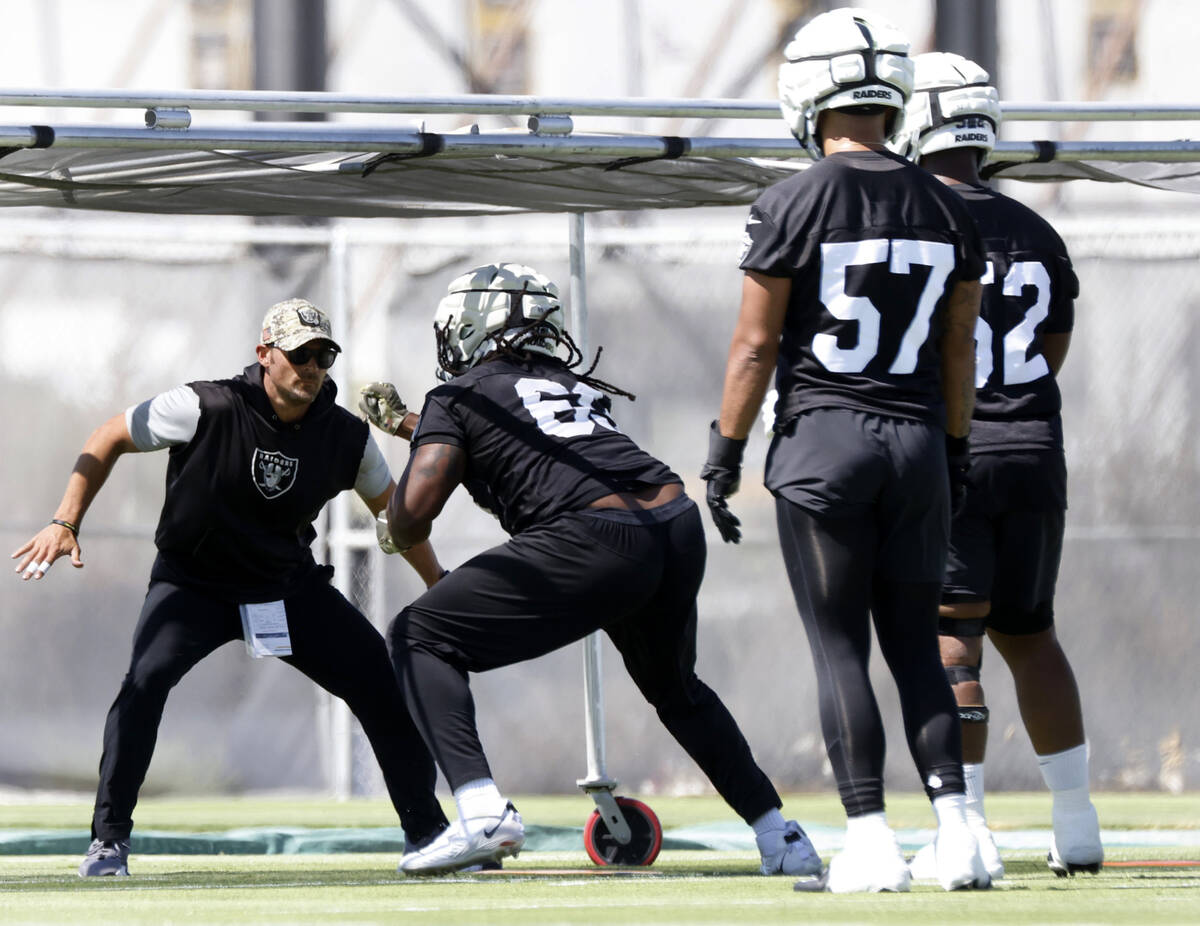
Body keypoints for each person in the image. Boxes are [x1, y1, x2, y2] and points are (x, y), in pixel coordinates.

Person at [361, 261, 822, 878]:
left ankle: (481, 812)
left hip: (595, 537)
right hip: (673, 521)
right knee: (678, 692)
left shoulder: (458, 395)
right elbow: (513, 441)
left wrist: (395, 522)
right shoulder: (565, 384)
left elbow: (415, 514)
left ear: (473, 325)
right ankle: (780, 836)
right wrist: (411, 426)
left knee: (420, 635)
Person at [700, 8, 990, 893]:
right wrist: (953, 449)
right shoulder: (947, 203)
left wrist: (723, 451)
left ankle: (869, 841)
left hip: (825, 443)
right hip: (915, 443)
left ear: (807, 93)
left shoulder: (792, 199)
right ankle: (960, 834)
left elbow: (755, 347)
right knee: (915, 645)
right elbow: (958, 348)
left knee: (838, 650)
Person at [11, 298, 450, 877]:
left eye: (323, 356)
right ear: (265, 355)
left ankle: (431, 835)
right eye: (299, 355)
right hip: (196, 585)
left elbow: (397, 515)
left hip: (286, 588)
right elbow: (109, 435)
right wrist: (66, 520)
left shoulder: (345, 436)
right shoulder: (204, 405)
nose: (312, 367)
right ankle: (109, 842)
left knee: (379, 681)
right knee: (143, 684)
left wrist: (439, 585)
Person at [894, 52, 1102, 880]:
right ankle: (1078, 824)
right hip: (1036, 449)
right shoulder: (1038, 229)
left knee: (955, 641)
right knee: (1034, 635)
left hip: (958, 449)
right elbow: (1053, 349)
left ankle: (967, 826)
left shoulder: (909, 216)